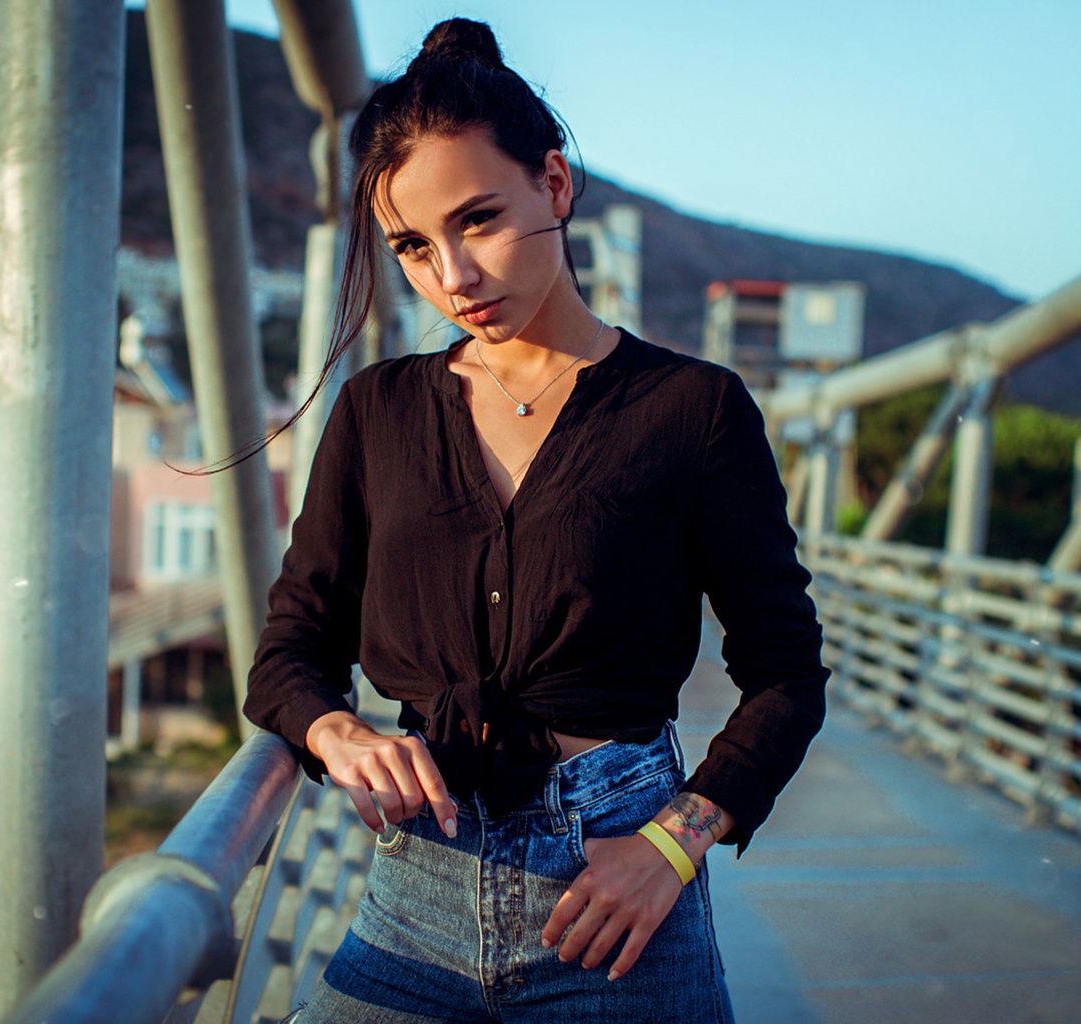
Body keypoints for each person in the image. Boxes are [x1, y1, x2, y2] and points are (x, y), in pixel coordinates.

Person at [244, 18, 828, 1024]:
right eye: (412, 247)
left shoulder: (690, 408)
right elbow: (290, 648)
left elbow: (785, 673)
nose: (451, 279)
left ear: (553, 186)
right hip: (410, 890)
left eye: (477, 221)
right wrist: (332, 727)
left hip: (618, 901)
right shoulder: (377, 409)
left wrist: (672, 843)